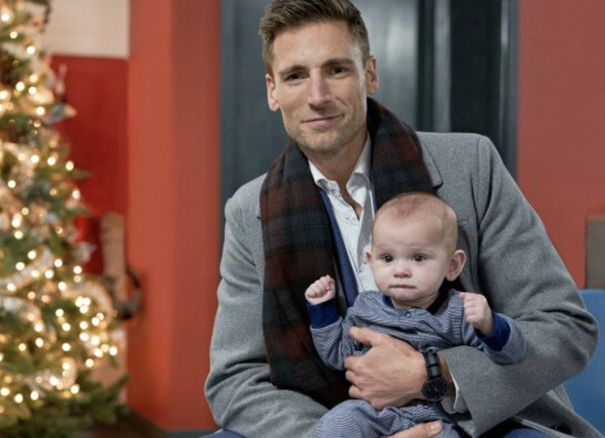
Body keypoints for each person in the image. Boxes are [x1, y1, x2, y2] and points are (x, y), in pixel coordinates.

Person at [204, 0, 601, 437]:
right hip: (330, 423)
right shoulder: (249, 210)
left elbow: (564, 329)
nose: (317, 96)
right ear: (272, 91)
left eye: (337, 69)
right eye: (296, 75)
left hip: (478, 422)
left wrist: (436, 374)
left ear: (369, 74)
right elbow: (235, 378)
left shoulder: (470, 165)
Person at [305, 192, 526, 437]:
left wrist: (490, 324)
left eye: (418, 258)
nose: (400, 270)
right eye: (387, 258)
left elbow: (511, 355)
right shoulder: (365, 308)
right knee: (337, 424)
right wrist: (322, 309)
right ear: (371, 260)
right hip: (374, 410)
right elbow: (338, 355)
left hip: (440, 416)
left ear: (452, 265)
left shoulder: (458, 312)